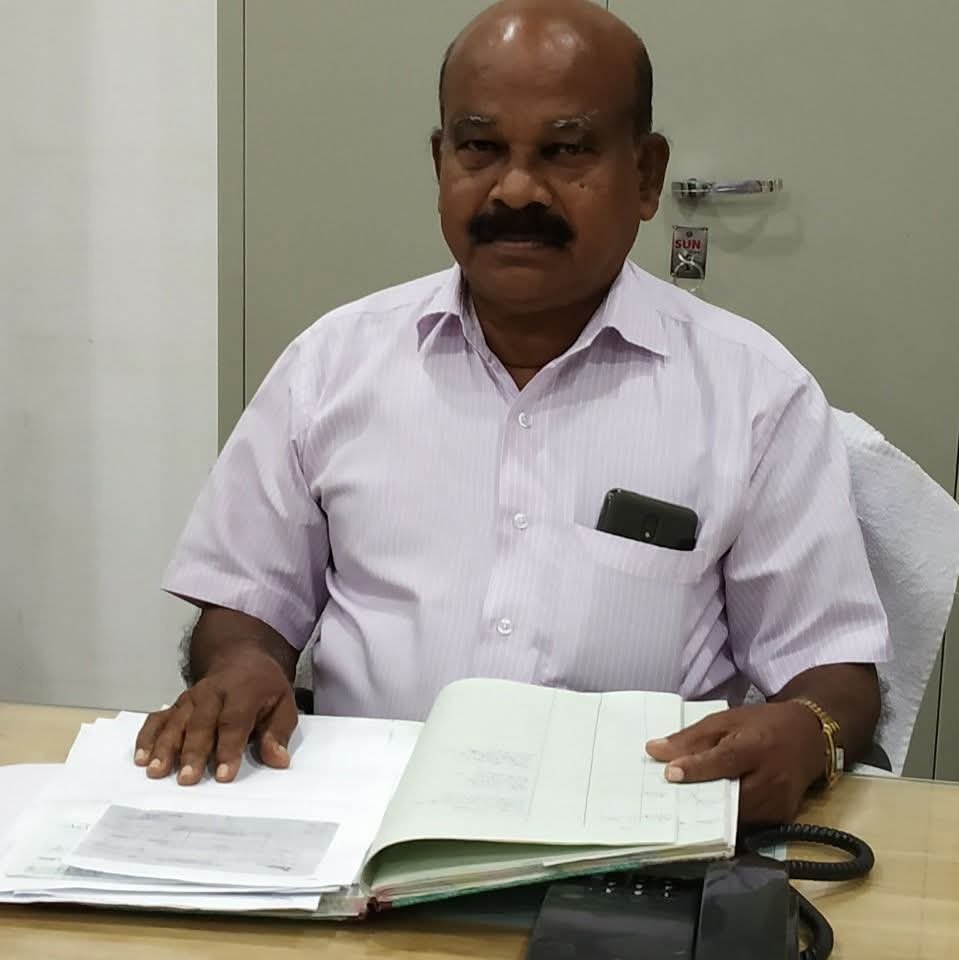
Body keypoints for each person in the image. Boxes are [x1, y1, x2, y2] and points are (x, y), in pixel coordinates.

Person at [136, 0, 889, 823]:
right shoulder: (331, 365)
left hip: (633, 825)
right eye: (480, 148)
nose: (516, 189)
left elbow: (832, 670)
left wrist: (809, 731)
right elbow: (244, 606)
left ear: (645, 176)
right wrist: (242, 666)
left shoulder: (754, 394)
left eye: (565, 151)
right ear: (440, 162)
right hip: (364, 818)